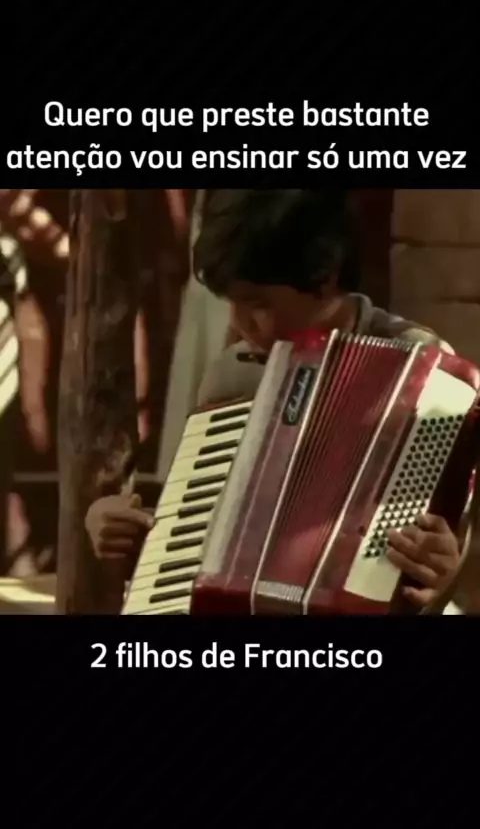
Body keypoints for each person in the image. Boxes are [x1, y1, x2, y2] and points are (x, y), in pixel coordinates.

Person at [85, 189, 472, 613]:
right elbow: (195, 543)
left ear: (325, 276)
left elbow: (449, 553)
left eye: (258, 303)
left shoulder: (428, 379)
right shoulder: (235, 375)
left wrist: (447, 575)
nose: (238, 323)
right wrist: (132, 534)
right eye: (230, 303)